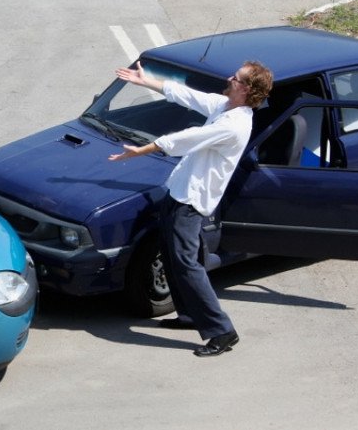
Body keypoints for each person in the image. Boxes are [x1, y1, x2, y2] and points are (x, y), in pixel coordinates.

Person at [109, 60, 273, 357]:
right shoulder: (225, 106)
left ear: (246, 89)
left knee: (186, 264)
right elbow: (187, 95)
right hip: (180, 192)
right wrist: (146, 82)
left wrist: (142, 150)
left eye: (235, 78)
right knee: (176, 257)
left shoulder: (234, 125)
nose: (228, 77)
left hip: (191, 202)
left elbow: (187, 139)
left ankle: (222, 331)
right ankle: (188, 316)